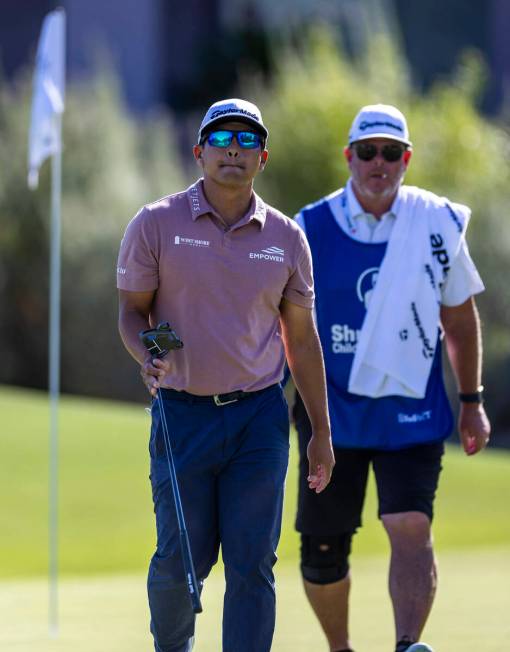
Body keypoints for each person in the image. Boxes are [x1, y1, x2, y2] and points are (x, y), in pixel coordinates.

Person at [117, 98, 335, 652]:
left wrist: (321, 434)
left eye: (245, 140)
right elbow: (134, 309)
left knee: (252, 561)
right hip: (181, 414)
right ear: (199, 154)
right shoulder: (156, 223)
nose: (232, 149)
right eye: (220, 139)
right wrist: (152, 354)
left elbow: (302, 339)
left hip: (260, 417)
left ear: (262, 157)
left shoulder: (287, 239)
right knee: (178, 561)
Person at [293, 104, 491, 652]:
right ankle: (341, 649)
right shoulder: (308, 226)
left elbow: (459, 320)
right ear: (348, 157)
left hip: (411, 407)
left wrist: (472, 399)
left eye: (390, 152)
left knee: (410, 526)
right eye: (366, 151)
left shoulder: (436, 224)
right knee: (323, 550)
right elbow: (284, 322)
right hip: (330, 412)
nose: (377, 162)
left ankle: (407, 646)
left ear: (406, 160)